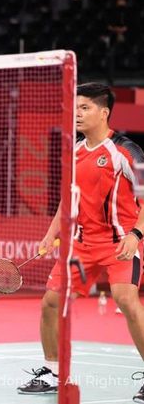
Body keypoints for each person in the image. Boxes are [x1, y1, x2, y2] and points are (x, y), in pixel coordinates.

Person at [17, 83, 144, 401]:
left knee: (126, 300)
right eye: (75, 107)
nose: (77, 113)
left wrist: (136, 234)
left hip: (120, 242)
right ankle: (52, 371)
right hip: (81, 245)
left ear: (104, 113)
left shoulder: (126, 151)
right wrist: (51, 232)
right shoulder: (74, 151)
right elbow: (67, 199)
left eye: (85, 108)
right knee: (49, 302)